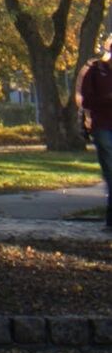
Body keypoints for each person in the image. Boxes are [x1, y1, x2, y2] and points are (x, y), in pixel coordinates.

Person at [80, 37, 112, 229]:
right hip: (103, 126)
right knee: (110, 171)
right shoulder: (95, 71)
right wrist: (106, 99)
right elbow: (86, 100)